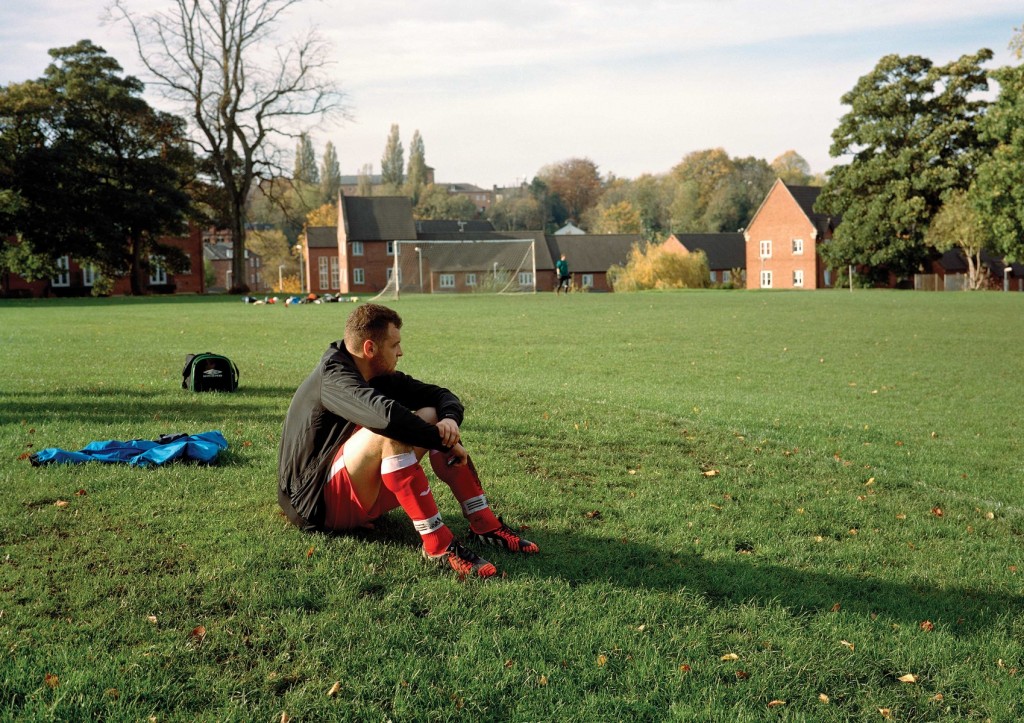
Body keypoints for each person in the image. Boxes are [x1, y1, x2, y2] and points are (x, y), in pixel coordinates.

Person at [278, 303, 538, 578]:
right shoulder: (334, 377)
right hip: (314, 505)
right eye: (395, 345)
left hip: (355, 492)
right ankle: (437, 546)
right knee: (388, 433)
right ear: (370, 349)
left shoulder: (373, 371)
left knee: (430, 414)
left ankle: (484, 524)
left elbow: (439, 395)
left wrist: (448, 420)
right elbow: (387, 419)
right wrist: (442, 441)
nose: (400, 352)